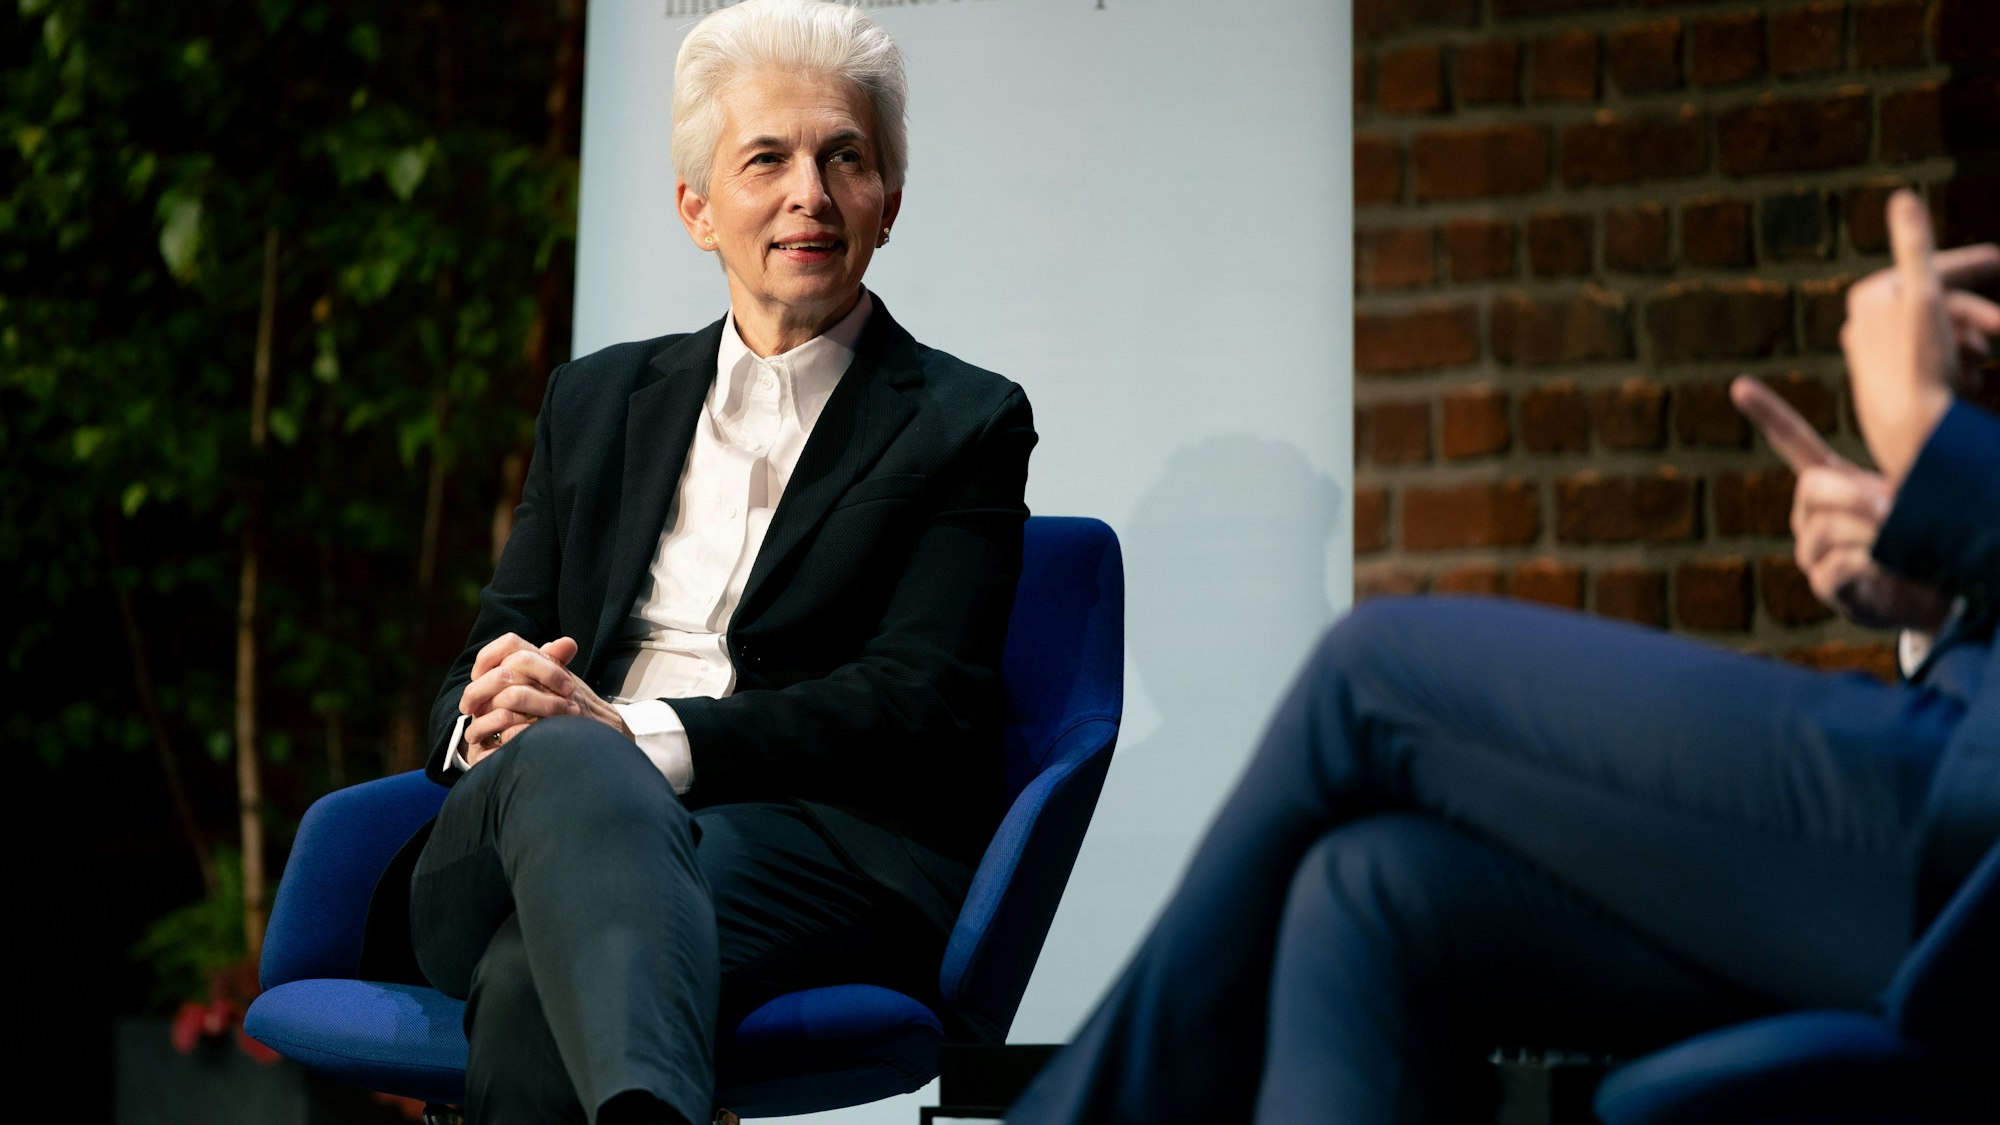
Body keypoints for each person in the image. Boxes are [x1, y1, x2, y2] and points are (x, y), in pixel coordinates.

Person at [1007, 191, 2000, 1123]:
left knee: (1373, 665)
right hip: (1953, 803)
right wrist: (1934, 601)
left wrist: (1930, 442)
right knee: (1365, 887)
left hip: (1968, 846)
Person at [368, 3, 1036, 1122]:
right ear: (696, 208)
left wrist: (634, 736)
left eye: (844, 158)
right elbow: (488, 653)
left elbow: (922, 702)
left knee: (536, 972)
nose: (808, 195)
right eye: (764, 158)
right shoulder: (595, 404)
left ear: (890, 203)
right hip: (510, 833)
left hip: (799, 845)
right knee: (567, 768)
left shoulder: (961, 423)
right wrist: (488, 716)